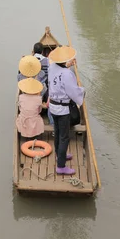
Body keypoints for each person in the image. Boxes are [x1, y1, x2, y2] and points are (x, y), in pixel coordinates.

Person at [48, 46, 86, 176]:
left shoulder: (52, 67)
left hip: (53, 106)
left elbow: (59, 78)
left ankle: (60, 155)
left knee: (57, 132)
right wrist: (82, 91)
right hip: (63, 110)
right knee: (64, 137)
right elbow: (73, 92)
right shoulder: (67, 74)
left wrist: (68, 65)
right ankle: (61, 166)